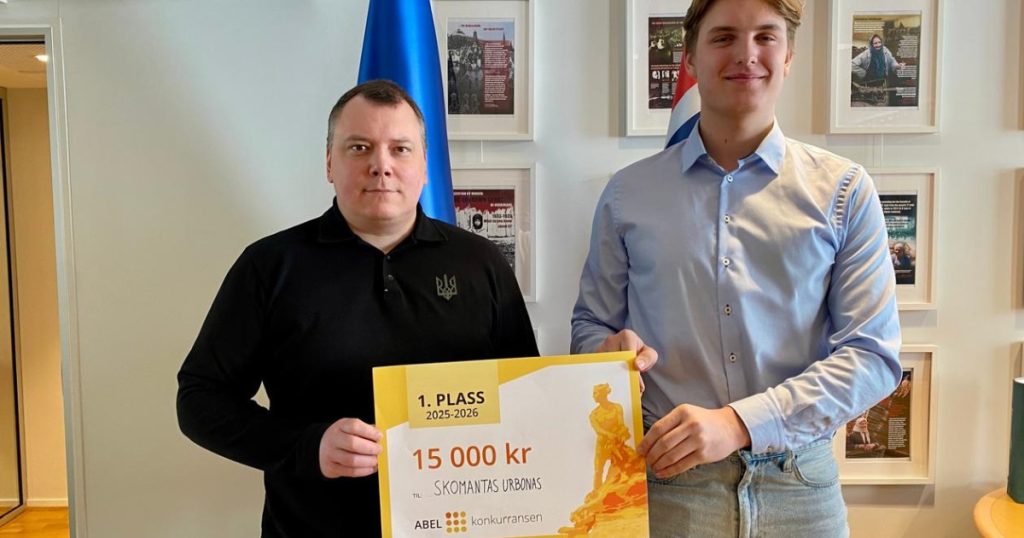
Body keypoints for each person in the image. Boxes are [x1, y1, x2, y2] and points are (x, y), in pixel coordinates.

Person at [571, 0, 902, 536]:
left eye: (765, 37)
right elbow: (590, 326)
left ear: (788, 55)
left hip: (800, 488)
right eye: (723, 37)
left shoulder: (843, 191)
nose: (746, 54)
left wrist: (739, 424)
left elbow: (873, 357)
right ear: (691, 57)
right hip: (667, 485)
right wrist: (606, 353)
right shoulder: (627, 193)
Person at [176, 79, 539, 537]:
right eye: (359, 147)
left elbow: (529, 396)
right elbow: (199, 399)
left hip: (462, 527)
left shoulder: (480, 263)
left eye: (400, 149)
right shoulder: (270, 266)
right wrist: (307, 447)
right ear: (330, 162)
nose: (381, 165)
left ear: (425, 166)